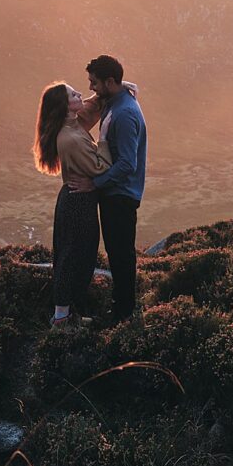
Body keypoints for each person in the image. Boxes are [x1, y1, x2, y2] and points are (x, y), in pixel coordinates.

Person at [33, 77, 139, 330]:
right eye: (73, 95)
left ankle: (70, 314)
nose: (80, 94)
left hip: (77, 200)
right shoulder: (71, 138)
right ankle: (61, 319)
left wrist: (117, 86)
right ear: (65, 106)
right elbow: (103, 167)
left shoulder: (73, 124)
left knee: (79, 256)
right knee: (73, 258)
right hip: (78, 202)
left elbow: (91, 106)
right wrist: (103, 137)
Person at [73, 54, 146, 325]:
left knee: (121, 255)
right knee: (118, 254)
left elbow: (128, 163)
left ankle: (124, 314)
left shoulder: (125, 114)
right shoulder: (116, 101)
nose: (91, 88)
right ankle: (122, 310)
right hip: (115, 193)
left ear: (110, 81)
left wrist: (95, 183)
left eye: (94, 83)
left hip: (120, 194)